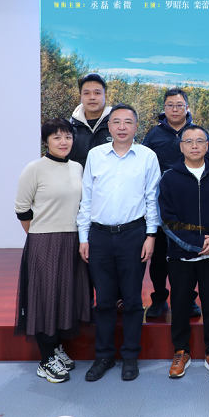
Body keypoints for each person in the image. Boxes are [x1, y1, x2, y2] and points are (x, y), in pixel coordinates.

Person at [77, 104, 161, 382]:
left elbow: (152, 198)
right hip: (99, 236)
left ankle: (130, 357)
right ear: (109, 126)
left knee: (133, 299)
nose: (122, 127)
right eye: (116, 122)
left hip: (133, 235)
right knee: (103, 300)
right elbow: (87, 198)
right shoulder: (95, 155)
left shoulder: (147, 156)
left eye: (128, 122)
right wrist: (84, 236)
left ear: (136, 127)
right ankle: (103, 356)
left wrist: (151, 235)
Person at [14, 118, 91, 383]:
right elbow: (22, 209)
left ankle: (56, 347)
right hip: (44, 242)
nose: (63, 141)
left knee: (64, 296)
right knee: (44, 299)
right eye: (56, 137)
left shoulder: (77, 167)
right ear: (46, 141)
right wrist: (39, 235)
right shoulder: (34, 169)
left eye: (67, 136)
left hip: (72, 240)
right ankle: (45, 360)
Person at [158, 125, 209, 380]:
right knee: (180, 304)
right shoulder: (169, 178)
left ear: (208, 145)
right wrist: (197, 242)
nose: (194, 146)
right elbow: (167, 220)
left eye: (200, 141)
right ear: (181, 146)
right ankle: (181, 351)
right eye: (189, 141)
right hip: (180, 255)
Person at [143, 88, 209, 318]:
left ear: (187, 107)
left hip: (191, 204)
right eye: (170, 105)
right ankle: (159, 298)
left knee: (188, 252)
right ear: (164, 108)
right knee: (160, 255)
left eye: (179, 105)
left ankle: (189, 299)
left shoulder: (197, 133)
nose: (175, 109)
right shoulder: (153, 135)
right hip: (161, 204)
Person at [69, 73, 113, 168]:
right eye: (87, 93)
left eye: (97, 93)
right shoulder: (69, 128)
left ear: (105, 96)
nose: (92, 97)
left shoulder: (117, 126)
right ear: (80, 97)